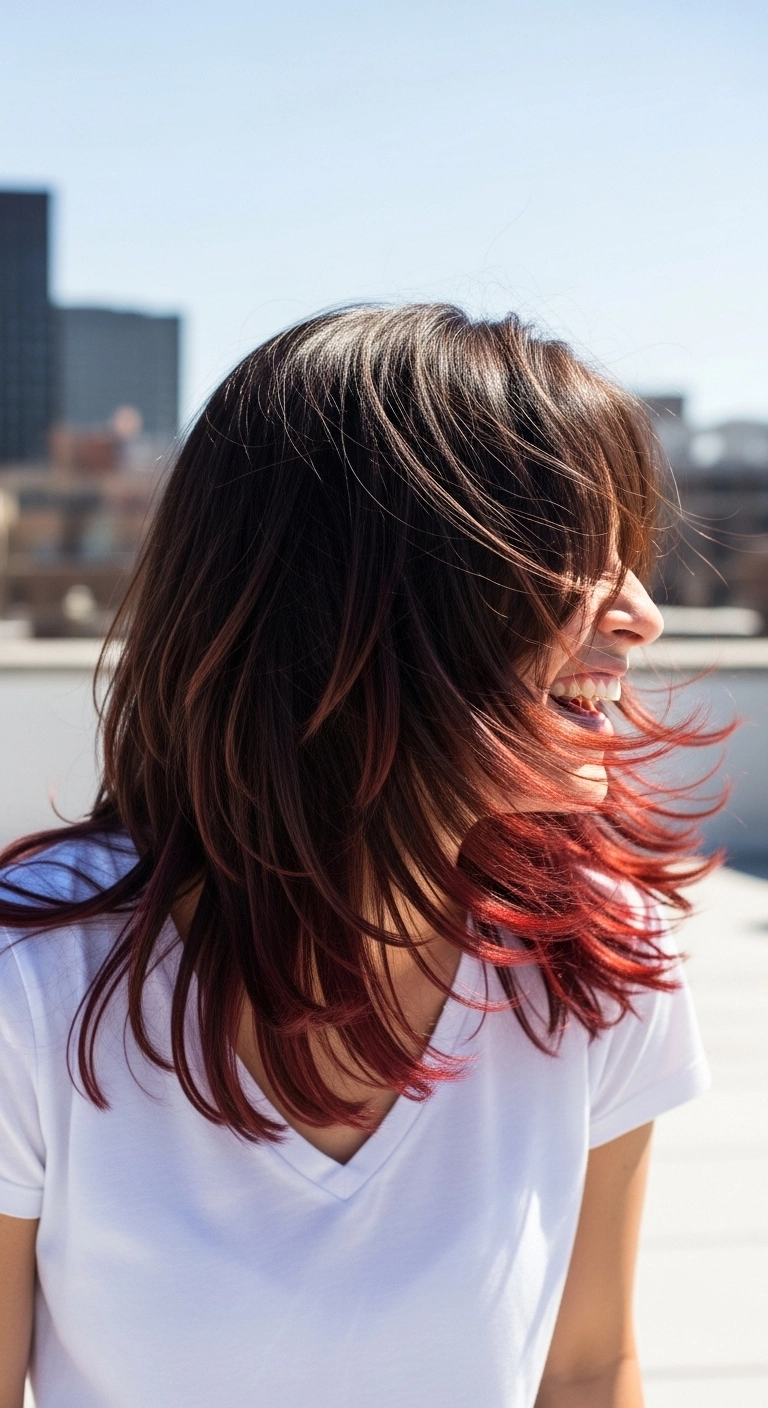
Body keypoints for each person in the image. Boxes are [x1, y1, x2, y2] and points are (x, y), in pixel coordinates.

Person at [0, 305, 718, 1408]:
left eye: (634, 557)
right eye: (578, 557)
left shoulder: (598, 963)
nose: (641, 615)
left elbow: (585, 1368)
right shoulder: (33, 986)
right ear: (361, 600)